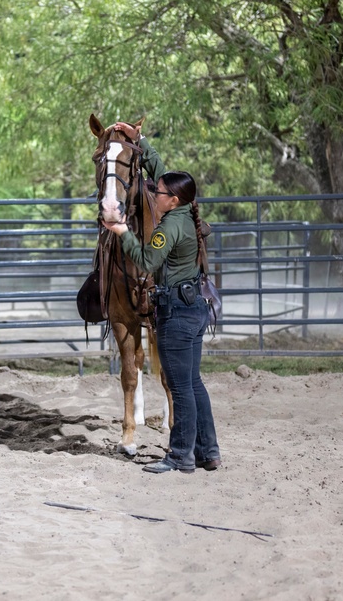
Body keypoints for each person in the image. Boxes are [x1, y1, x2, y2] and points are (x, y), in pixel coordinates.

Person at [102, 170, 222, 474]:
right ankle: (208, 452)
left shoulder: (168, 228)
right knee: (194, 385)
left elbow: (147, 262)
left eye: (159, 193)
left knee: (181, 389)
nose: (154, 195)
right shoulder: (187, 219)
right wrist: (139, 141)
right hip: (194, 307)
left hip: (176, 314)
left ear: (173, 200)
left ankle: (181, 455)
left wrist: (122, 233)